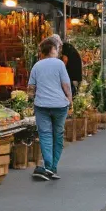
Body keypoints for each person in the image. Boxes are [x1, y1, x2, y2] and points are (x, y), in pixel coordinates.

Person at [27, 37, 72, 180]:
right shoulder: (59, 64)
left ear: (42, 51)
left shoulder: (36, 66)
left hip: (41, 105)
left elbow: (31, 88)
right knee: (58, 135)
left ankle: (48, 166)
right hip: (60, 105)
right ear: (53, 49)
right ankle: (52, 168)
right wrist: (69, 99)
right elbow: (66, 84)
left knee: (45, 135)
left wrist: (32, 98)